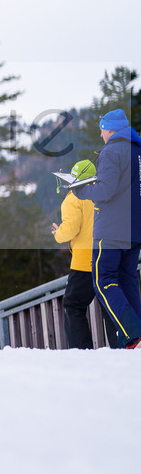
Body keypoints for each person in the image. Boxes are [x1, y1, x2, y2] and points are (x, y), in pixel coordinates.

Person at [74, 108, 141, 349]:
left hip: (112, 230)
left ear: (110, 128)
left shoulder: (112, 151)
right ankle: (137, 332)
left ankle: (132, 336)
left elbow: (104, 191)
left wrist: (80, 190)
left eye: (102, 129)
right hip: (135, 230)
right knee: (128, 279)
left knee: (104, 280)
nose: (101, 134)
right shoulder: (137, 150)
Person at [51, 159, 116, 348]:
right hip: (109, 256)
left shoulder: (72, 199)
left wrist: (58, 233)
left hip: (85, 262)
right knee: (109, 303)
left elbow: (70, 230)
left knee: (73, 305)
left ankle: (82, 349)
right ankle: (120, 343)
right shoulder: (105, 193)